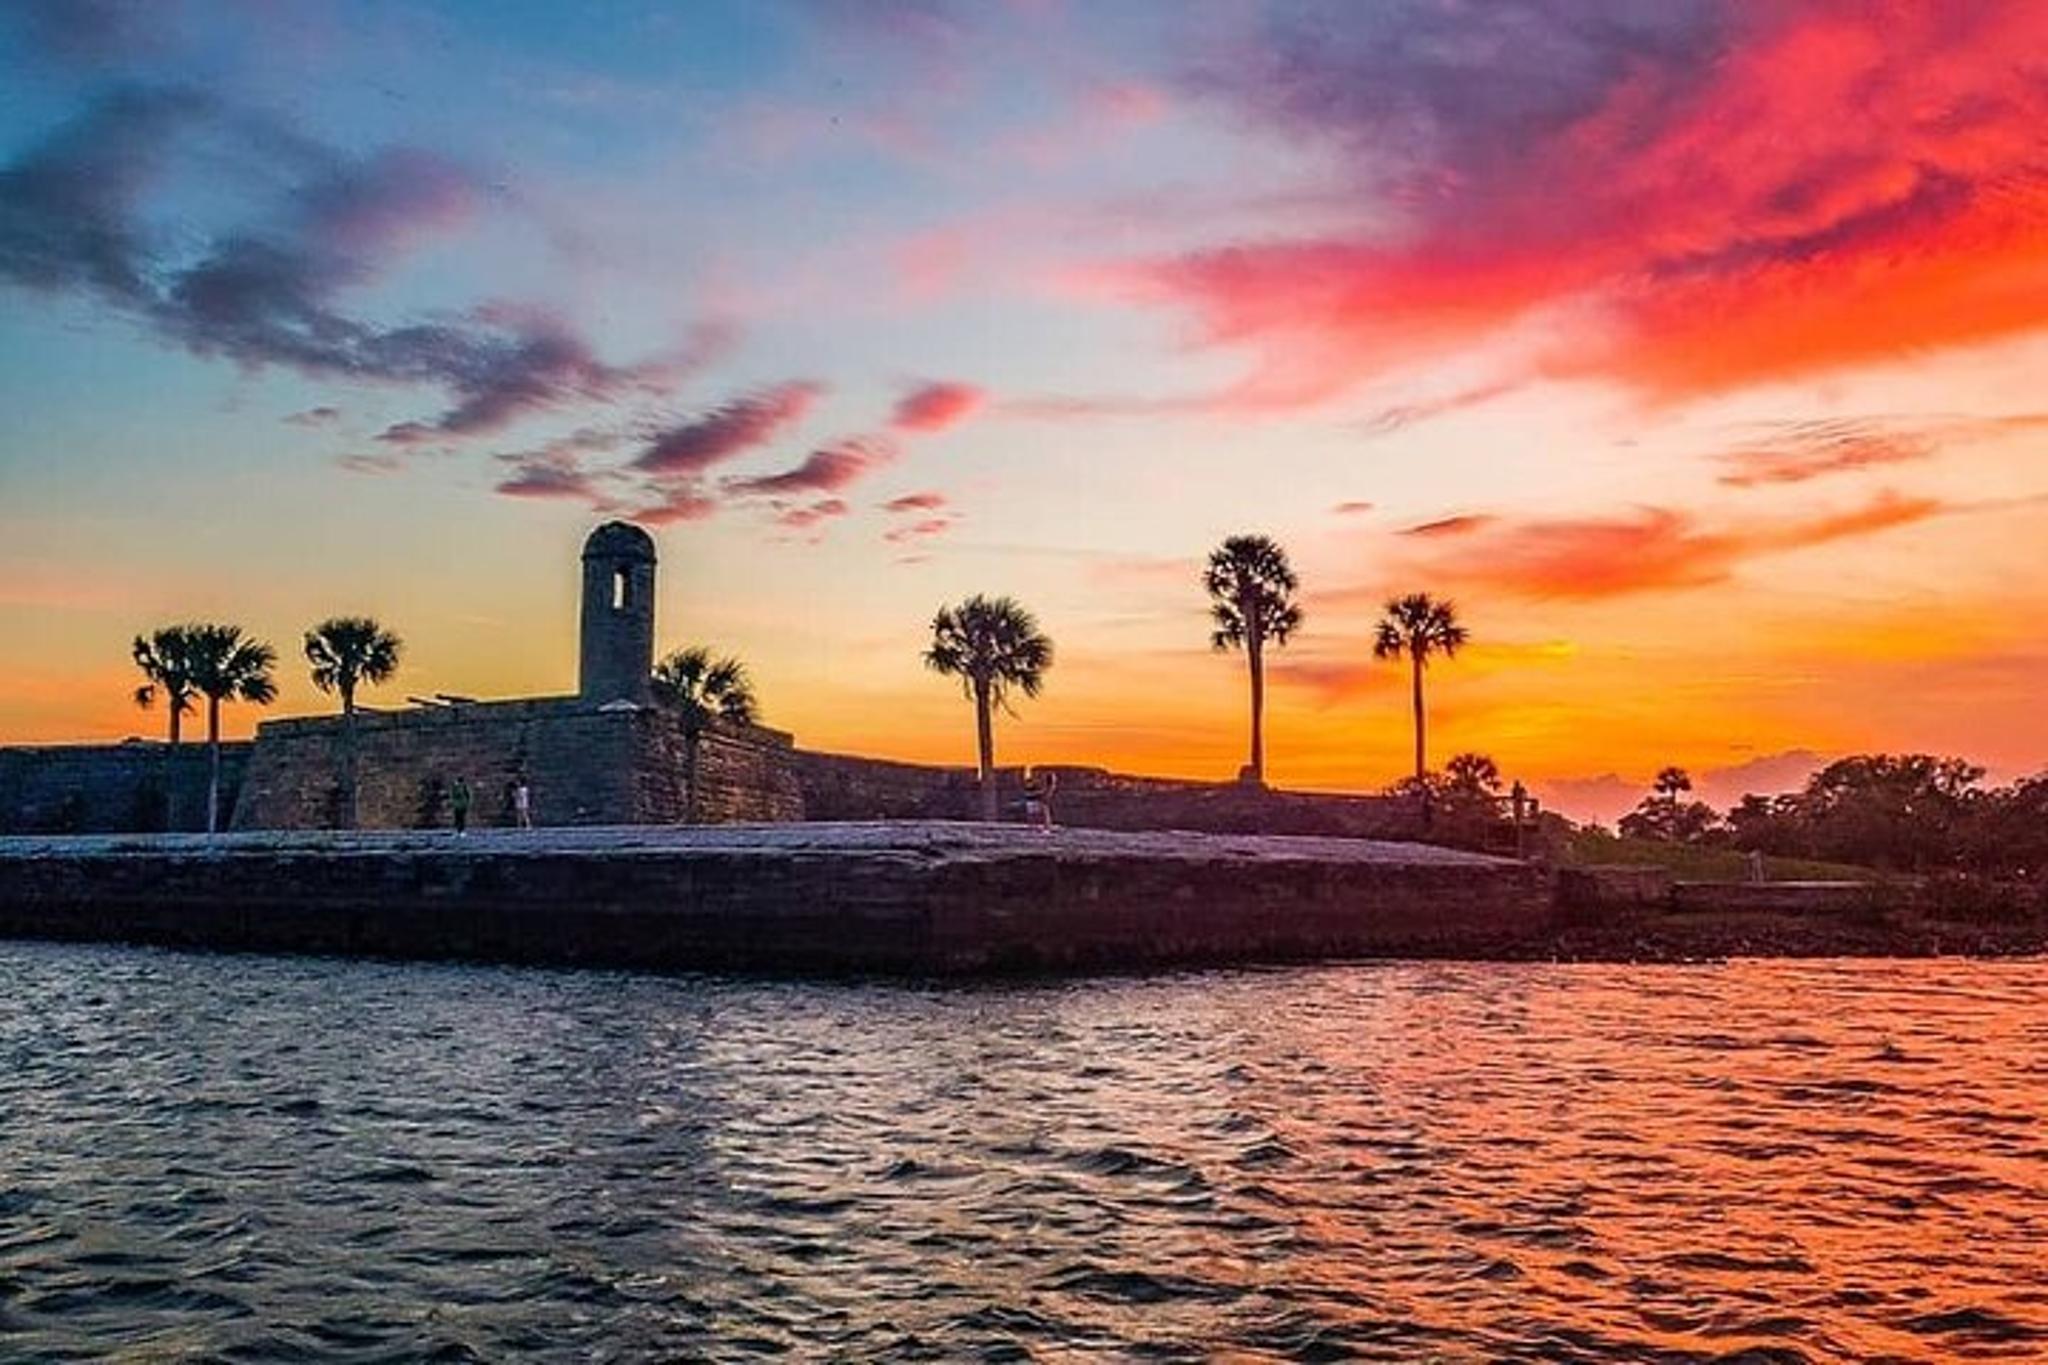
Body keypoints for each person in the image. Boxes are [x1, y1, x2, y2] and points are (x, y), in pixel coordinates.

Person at [1020, 766, 1057, 831]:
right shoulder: (1034, 786)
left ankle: (1044, 826)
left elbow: (1044, 794)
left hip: (1037, 800)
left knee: (1042, 810)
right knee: (1037, 811)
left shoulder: (1043, 790)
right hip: (1034, 800)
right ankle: (1042, 826)